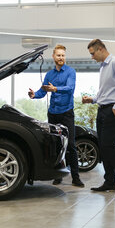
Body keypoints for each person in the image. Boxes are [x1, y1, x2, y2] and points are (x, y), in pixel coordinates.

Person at [28, 44, 84, 187]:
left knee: (70, 145)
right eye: (58, 55)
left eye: (63, 55)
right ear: (53, 57)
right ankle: (57, 176)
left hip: (66, 113)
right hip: (53, 113)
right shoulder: (49, 75)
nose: (61, 58)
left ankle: (76, 178)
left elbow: (70, 88)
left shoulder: (70, 72)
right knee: (56, 145)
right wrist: (34, 95)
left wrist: (56, 88)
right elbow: (43, 91)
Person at [82, 39, 115, 194]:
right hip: (102, 109)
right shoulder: (103, 67)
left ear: (101, 49)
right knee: (103, 148)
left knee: (109, 146)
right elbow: (105, 91)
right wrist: (92, 99)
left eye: (92, 53)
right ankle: (109, 181)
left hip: (113, 110)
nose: (92, 57)